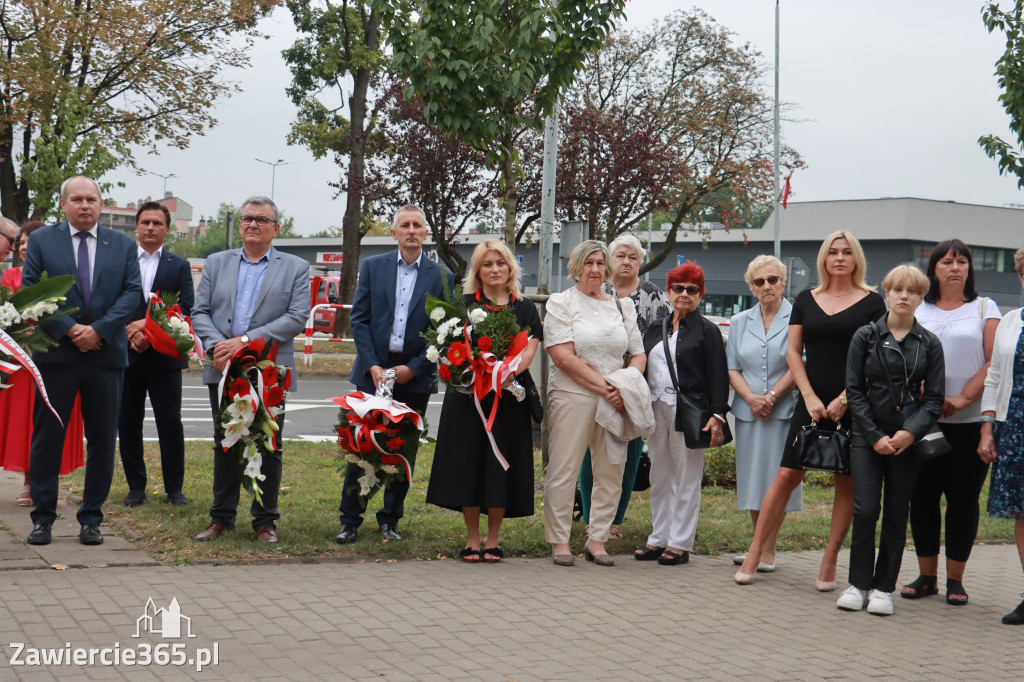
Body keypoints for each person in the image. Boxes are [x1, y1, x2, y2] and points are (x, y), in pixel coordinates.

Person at [736, 231, 886, 587]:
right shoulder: (807, 298)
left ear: (856, 259)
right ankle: (756, 551)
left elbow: (874, 359)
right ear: (824, 258)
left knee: (844, 481)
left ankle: (830, 560)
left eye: (847, 252)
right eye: (833, 252)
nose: (839, 258)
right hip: (812, 401)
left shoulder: (873, 302)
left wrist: (846, 398)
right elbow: (793, 353)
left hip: (854, 403)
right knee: (787, 475)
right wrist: (810, 397)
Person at [22, 176, 142, 546]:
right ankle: (42, 518)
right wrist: (71, 330)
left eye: (91, 199)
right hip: (58, 355)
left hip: (105, 356)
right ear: (64, 204)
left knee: (103, 439)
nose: (84, 205)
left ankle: (91, 518)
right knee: (47, 439)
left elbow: (132, 292)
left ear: (101, 204)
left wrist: (100, 331)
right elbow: (31, 289)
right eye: (77, 199)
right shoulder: (43, 241)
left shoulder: (122, 244)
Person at [190, 195, 309, 544]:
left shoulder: (296, 267)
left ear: (276, 228)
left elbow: (296, 317)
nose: (253, 224)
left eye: (261, 219)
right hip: (224, 367)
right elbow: (200, 312)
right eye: (247, 218)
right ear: (239, 225)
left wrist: (243, 341)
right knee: (226, 441)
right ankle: (220, 518)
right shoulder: (216, 262)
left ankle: (265, 522)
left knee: (267, 442)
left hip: (269, 368)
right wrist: (217, 346)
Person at [337, 204, 448, 544]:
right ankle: (350, 520)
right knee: (361, 447)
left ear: (425, 233)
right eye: (405, 225)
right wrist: (372, 364)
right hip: (371, 372)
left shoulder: (441, 277)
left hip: (414, 375)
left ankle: (390, 520)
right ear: (394, 232)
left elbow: (444, 331)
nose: (411, 230)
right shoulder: (373, 267)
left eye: (417, 225)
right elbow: (360, 318)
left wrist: (412, 369)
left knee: (402, 450)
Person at [838, 264, 944, 616]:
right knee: (866, 509)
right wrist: (873, 435)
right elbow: (853, 391)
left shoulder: (929, 343)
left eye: (911, 291)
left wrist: (908, 432)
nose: (904, 296)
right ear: (886, 293)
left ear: (920, 298)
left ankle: (884, 588)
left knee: (897, 512)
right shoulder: (865, 336)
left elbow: (934, 400)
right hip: (866, 437)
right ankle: (858, 584)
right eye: (897, 289)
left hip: (906, 440)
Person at [426, 240, 542, 563]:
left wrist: (505, 373)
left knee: (500, 465)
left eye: (501, 263)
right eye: (487, 264)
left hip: (507, 398)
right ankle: (472, 538)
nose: (495, 270)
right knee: (469, 464)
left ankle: (493, 538)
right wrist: (475, 373)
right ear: (477, 270)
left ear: (510, 269)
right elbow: (451, 349)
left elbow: (529, 349)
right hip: (467, 399)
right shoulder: (462, 306)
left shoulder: (525, 308)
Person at [902, 240, 1001, 605]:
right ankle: (926, 577)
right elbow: (904, 354)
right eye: (947, 261)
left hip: (971, 421)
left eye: (962, 261)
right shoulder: (919, 308)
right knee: (923, 497)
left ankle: (955, 580)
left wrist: (961, 399)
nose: (955, 267)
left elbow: (993, 362)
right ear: (935, 271)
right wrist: (928, 395)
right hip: (924, 421)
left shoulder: (984, 308)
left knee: (962, 501)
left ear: (969, 269)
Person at [544, 240, 647, 567]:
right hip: (573, 396)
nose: (595, 269)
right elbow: (563, 357)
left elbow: (639, 354)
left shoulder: (622, 306)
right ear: (576, 267)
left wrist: (625, 385)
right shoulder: (561, 303)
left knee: (611, 470)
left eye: (600, 263)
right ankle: (560, 541)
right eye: (588, 263)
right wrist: (606, 387)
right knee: (564, 469)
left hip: (615, 399)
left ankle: (597, 539)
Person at [634, 262, 728, 566]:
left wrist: (718, 415)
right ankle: (658, 538)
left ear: (700, 294)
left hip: (690, 412)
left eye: (692, 289)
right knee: (659, 475)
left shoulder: (708, 331)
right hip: (656, 408)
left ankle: (680, 542)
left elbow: (718, 375)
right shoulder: (656, 326)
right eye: (678, 288)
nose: (684, 294)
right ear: (668, 290)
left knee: (686, 477)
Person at [578, 234, 670, 539]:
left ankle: (615, 519)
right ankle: (591, 517)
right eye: (620, 256)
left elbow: (664, 341)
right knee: (592, 454)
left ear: (640, 263)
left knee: (628, 456)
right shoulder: (595, 290)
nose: (626, 262)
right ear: (609, 260)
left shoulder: (654, 295)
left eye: (633, 257)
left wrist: (634, 380)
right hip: (596, 383)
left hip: (635, 385)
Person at [0, 220, 84, 507]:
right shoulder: (10, 276)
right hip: (21, 360)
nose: (24, 247)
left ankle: (47, 481)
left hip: (55, 356)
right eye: (21, 243)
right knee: (25, 421)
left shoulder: (59, 277)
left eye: (29, 242)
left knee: (52, 419)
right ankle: (28, 481)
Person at [118, 202, 195, 507]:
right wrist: (130, 330)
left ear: (167, 229)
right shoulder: (121, 261)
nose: (150, 228)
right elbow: (109, 301)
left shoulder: (179, 265)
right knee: (128, 422)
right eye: (145, 222)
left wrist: (148, 328)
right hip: (126, 355)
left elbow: (185, 308)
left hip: (164, 357)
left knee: (169, 422)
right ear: (136, 227)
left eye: (157, 223)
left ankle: (174, 489)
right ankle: (136, 487)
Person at [727, 255, 799, 571]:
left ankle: (767, 551)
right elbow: (732, 367)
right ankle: (759, 546)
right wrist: (751, 399)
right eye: (759, 281)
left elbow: (801, 363)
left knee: (777, 479)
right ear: (752, 287)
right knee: (754, 478)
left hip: (783, 410)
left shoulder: (798, 317)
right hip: (748, 412)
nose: (766, 286)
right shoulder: (740, 320)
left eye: (772, 280)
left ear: (783, 282)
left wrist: (770, 397)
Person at [977, 245, 1024, 625]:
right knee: (1022, 516)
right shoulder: (1011, 321)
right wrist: (988, 428)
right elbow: (994, 377)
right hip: (1015, 428)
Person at [1, 220, 43, 290]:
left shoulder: (55, 273)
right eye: (22, 243)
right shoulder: (11, 274)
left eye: (31, 242)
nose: (24, 247)